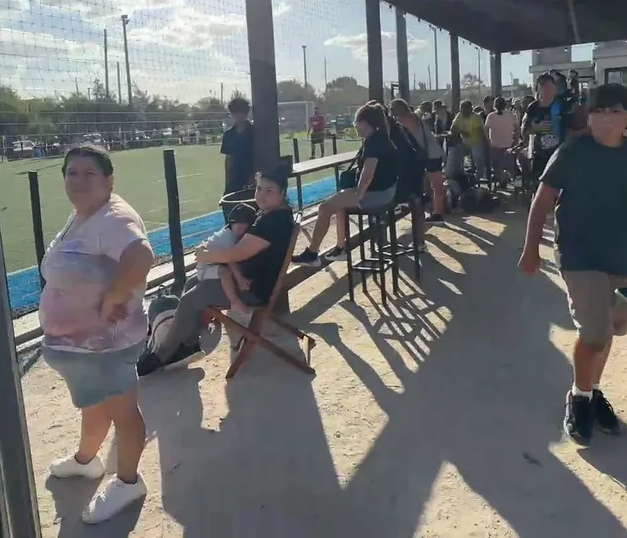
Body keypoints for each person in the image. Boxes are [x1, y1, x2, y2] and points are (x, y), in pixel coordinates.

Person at [519, 83, 627, 447]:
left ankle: (591, 390)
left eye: (615, 110)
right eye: (599, 110)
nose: (607, 117)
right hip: (578, 255)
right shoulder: (572, 152)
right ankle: (578, 398)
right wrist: (531, 249)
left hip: (620, 255)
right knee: (594, 333)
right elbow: (542, 201)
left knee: (611, 331)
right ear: (588, 117)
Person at [40, 146, 152, 523]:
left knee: (122, 410)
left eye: (90, 173)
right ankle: (86, 461)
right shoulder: (82, 214)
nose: (79, 180)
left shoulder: (114, 218)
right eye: (72, 172)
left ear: (109, 180)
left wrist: (115, 296)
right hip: (84, 348)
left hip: (109, 344)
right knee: (95, 403)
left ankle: (128, 482)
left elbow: (141, 256)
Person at [141, 167, 296, 373]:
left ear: (282, 192)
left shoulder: (272, 222)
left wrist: (206, 255)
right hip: (252, 278)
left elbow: (236, 254)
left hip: (253, 288)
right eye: (259, 188)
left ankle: (161, 355)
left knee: (191, 298)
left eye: (269, 190)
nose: (261, 195)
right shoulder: (275, 214)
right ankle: (188, 343)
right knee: (192, 283)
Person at [293, 102, 399, 267]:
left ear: (365, 123)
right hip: (388, 192)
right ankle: (340, 248)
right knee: (339, 203)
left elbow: (367, 174)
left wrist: (359, 195)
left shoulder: (374, 141)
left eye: (356, 122)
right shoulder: (382, 137)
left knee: (324, 208)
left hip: (377, 194)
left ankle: (312, 254)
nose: (354, 125)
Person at [194, 203, 256, 314]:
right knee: (225, 272)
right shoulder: (228, 237)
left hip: (216, 262)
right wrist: (240, 279)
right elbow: (229, 259)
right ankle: (234, 301)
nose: (242, 232)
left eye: (245, 229)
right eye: (240, 228)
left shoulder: (230, 233)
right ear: (232, 223)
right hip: (206, 269)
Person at [393, 99, 446, 222]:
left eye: (392, 108)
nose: (391, 111)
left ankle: (438, 213)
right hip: (431, 152)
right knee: (433, 185)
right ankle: (437, 211)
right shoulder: (414, 116)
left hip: (430, 154)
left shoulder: (404, 119)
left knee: (435, 185)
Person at [521, 72, 573, 183]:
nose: (546, 91)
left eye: (549, 87)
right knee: (539, 185)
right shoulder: (533, 108)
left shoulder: (563, 106)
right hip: (539, 156)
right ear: (537, 90)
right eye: (543, 87)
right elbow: (524, 130)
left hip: (560, 155)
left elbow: (572, 129)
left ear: (555, 88)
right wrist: (537, 129)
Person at [220, 96, 254, 193]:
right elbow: (228, 159)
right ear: (232, 113)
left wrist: (255, 176)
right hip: (235, 178)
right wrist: (228, 182)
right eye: (236, 112)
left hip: (252, 178)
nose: (239, 115)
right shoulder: (228, 134)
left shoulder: (254, 132)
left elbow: (261, 155)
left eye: (242, 112)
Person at [445, 100, 486, 178]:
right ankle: (455, 174)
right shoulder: (459, 115)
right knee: (454, 152)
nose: (463, 110)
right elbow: (452, 128)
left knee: (477, 156)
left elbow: (480, 132)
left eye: (465, 108)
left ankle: (479, 176)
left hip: (476, 142)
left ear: (470, 108)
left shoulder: (476, 117)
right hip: (465, 143)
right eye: (462, 108)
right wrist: (461, 131)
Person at [484, 96, 518, 187]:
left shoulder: (491, 116)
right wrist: (516, 139)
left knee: (497, 165)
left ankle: (500, 180)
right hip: (508, 144)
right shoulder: (510, 115)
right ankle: (510, 180)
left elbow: (486, 129)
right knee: (509, 165)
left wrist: (488, 140)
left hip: (495, 144)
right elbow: (517, 127)